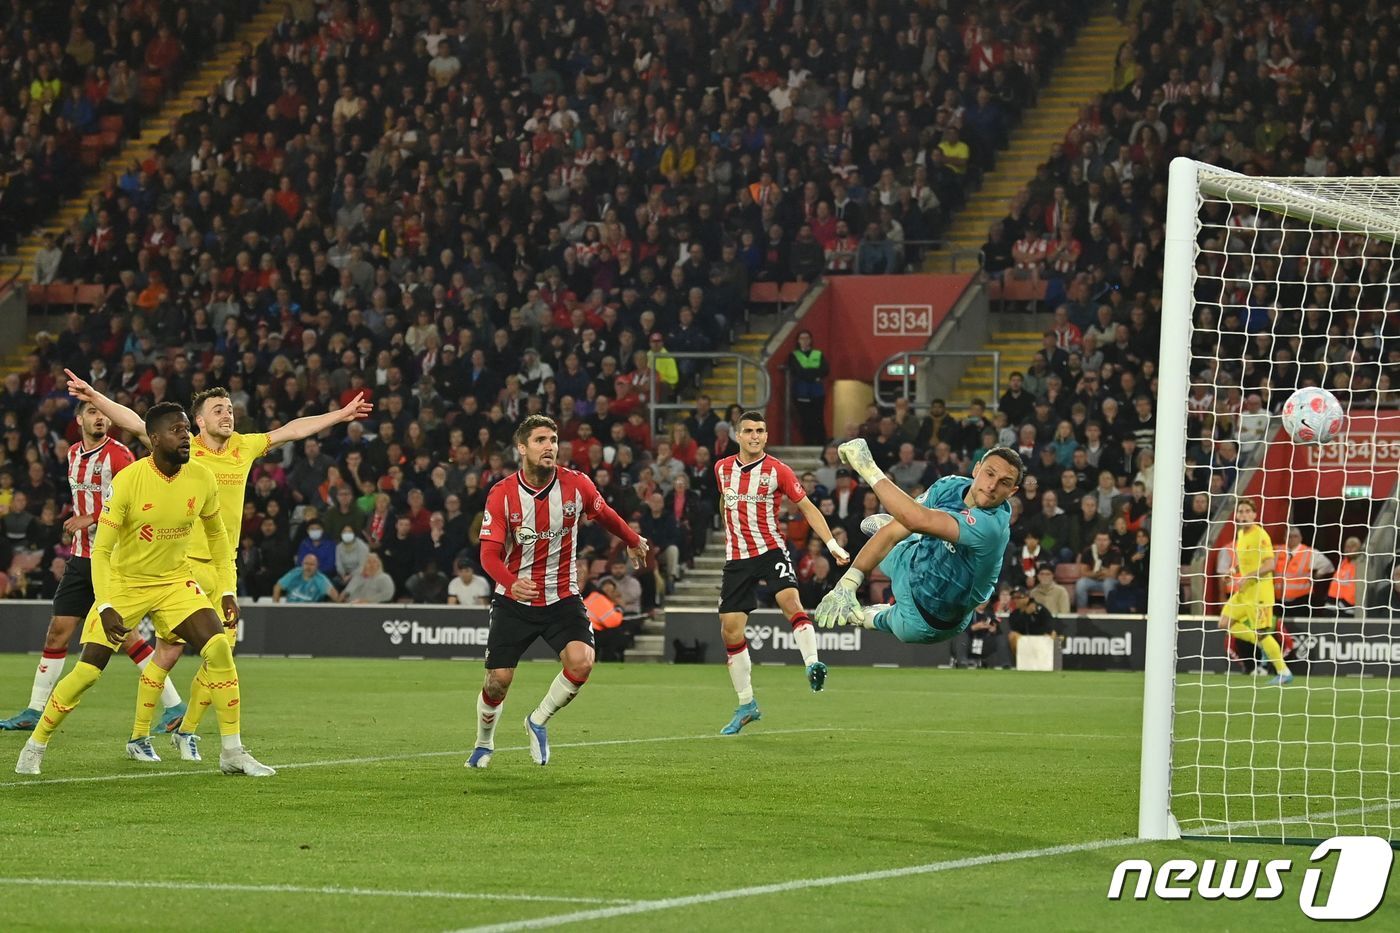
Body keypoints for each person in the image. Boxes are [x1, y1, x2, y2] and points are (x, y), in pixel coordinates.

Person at [63, 373, 372, 760]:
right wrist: (94, 395)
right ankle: (139, 735)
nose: (227, 415)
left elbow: (292, 431)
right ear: (200, 422)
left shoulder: (244, 447)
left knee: (221, 653)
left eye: (229, 409)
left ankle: (186, 731)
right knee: (171, 653)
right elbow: (131, 421)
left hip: (224, 566)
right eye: (217, 410)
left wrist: (339, 414)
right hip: (182, 568)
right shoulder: (185, 449)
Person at [15, 403, 273, 777]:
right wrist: (104, 603)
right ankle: (35, 744)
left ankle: (232, 752)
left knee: (218, 650)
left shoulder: (201, 478)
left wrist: (228, 590)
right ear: (154, 439)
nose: (186, 436)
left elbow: (218, 538)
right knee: (88, 671)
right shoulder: (130, 481)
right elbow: (101, 549)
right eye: (177, 431)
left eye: (187, 429)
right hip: (125, 583)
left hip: (174, 582)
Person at [467, 415, 649, 769]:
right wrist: (510, 579)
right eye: (540, 440)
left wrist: (632, 539)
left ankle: (537, 720)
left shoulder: (576, 485)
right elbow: (487, 553)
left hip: (562, 597)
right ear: (522, 448)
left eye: (552, 439)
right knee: (497, 682)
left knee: (582, 662)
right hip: (514, 599)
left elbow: (604, 513)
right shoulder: (503, 494)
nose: (550, 446)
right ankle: (484, 743)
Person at [0, 401, 186, 732]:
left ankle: (173, 705)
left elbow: (140, 503)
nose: (99, 418)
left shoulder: (119, 456)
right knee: (58, 631)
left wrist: (92, 517)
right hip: (80, 557)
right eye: (91, 413)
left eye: (102, 413)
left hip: (112, 559)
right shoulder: (72, 454)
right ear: (79, 419)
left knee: (125, 637)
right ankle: (33, 710)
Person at [712, 410, 850, 734]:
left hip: (771, 549)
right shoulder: (721, 469)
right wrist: (729, 524)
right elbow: (724, 501)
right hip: (737, 558)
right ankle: (747, 705)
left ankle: (812, 663)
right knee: (730, 630)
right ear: (738, 435)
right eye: (748, 431)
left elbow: (807, 506)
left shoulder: (778, 470)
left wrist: (830, 544)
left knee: (790, 602)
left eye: (760, 430)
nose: (755, 436)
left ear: (765, 435)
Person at [814, 439, 1022, 651]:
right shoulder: (948, 486)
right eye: (989, 473)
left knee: (877, 619)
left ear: (1012, 492)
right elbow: (900, 527)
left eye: (1004, 482)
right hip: (911, 562)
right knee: (893, 529)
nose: (992, 485)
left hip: (927, 619)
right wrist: (847, 584)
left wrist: (867, 467)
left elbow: (915, 519)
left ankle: (866, 617)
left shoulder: (991, 526)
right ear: (977, 469)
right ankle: (903, 538)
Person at [1218, 498, 1291, 685]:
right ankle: (1260, 641)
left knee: (1262, 633)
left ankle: (1283, 671)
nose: (1242, 515)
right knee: (1224, 623)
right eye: (1240, 511)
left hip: (1260, 594)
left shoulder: (1261, 535)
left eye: (1246, 511)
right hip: (1244, 592)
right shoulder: (1241, 535)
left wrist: (1247, 576)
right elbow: (1244, 561)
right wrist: (1233, 571)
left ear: (1254, 514)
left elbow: (1270, 564)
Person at [785, 329, 829, 445]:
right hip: (801, 392)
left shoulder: (818, 354)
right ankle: (808, 442)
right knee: (805, 420)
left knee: (818, 418)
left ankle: (821, 443)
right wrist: (814, 375)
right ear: (798, 341)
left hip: (818, 393)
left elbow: (825, 370)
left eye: (807, 338)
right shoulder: (793, 355)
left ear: (811, 340)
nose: (804, 341)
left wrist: (808, 374)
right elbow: (797, 371)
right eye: (802, 338)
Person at [273, 554, 338, 603]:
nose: (308, 567)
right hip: (290, 610)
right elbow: (277, 587)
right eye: (306, 563)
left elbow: (335, 596)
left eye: (312, 564)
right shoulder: (295, 573)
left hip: (311, 614)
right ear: (302, 564)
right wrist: (276, 608)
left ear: (317, 566)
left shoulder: (321, 579)